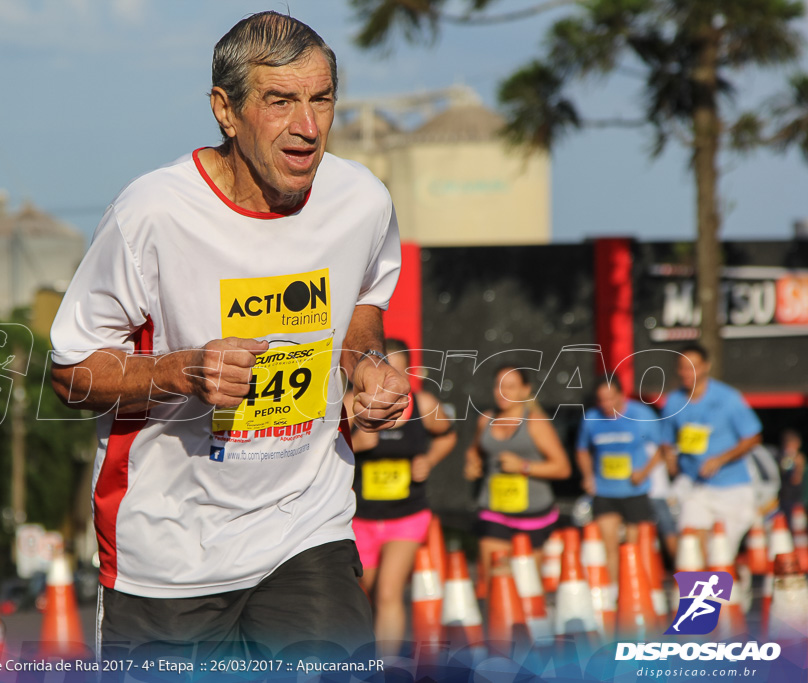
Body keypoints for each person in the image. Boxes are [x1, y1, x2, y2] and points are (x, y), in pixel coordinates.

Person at [48, 11, 410, 660]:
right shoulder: (153, 214)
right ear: (226, 109)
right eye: (280, 101)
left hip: (306, 528)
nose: (307, 126)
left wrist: (367, 366)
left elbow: (362, 302)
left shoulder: (361, 199)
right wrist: (181, 373)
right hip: (169, 551)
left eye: (321, 99)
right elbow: (71, 372)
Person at [345, 339, 456, 657]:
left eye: (396, 368)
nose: (389, 376)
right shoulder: (353, 401)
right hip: (362, 516)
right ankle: (364, 660)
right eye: (383, 367)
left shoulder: (424, 404)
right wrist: (357, 439)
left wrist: (430, 460)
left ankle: (387, 666)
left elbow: (448, 435)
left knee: (389, 593)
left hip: (407, 515)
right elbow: (327, 446)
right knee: (365, 593)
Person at [464, 365, 571, 583]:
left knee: (526, 585)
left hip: (533, 516)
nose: (503, 392)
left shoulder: (535, 422)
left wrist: (523, 466)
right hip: (495, 510)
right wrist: (472, 462)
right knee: (495, 581)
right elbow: (475, 449)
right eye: (499, 386)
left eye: (511, 387)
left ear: (525, 390)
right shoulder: (485, 419)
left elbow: (563, 468)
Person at [661, 343, 762, 559]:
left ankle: (735, 585)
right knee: (691, 547)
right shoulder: (673, 402)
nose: (687, 373)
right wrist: (671, 463)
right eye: (683, 368)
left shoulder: (728, 398)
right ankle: (700, 594)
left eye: (693, 367)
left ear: (706, 366)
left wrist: (720, 459)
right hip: (695, 488)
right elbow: (667, 441)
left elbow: (753, 437)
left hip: (731, 488)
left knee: (721, 555)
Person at [575, 376, 663, 585]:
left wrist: (644, 472)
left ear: (621, 395)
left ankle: (636, 587)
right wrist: (588, 477)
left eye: (611, 399)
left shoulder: (641, 414)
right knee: (609, 545)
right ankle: (615, 590)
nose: (606, 405)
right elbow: (582, 450)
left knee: (634, 546)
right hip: (605, 492)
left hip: (635, 491)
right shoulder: (592, 418)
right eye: (601, 400)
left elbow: (662, 448)